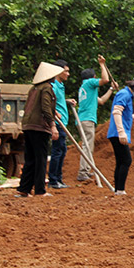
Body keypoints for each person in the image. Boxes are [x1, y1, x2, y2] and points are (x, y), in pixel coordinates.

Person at [16, 62, 64, 197]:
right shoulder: (47, 88)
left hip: (28, 125)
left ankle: (24, 188)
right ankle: (40, 190)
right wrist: (53, 125)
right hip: (39, 127)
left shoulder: (34, 89)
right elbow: (45, 107)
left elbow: (36, 106)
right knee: (41, 158)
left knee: (30, 158)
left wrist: (54, 112)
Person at [106, 76, 134, 195]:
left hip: (118, 132)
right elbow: (117, 112)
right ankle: (120, 190)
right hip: (117, 133)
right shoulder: (124, 94)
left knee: (121, 161)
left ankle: (118, 190)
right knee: (126, 160)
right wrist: (121, 132)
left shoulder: (127, 95)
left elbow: (124, 115)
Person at [76, 55, 114, 181]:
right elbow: (105, 79)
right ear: (93, 77)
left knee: (88, 145)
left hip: (83, 119)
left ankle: (86, 169)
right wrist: (103, 65)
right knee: (87, 146)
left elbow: (101, 101)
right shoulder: (89, 83)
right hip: (86, 119)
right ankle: (83, 172)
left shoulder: (85, 88)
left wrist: (111, 89)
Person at [48, 59, 76, 190]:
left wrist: (66, 100)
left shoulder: (60, 85)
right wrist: (54, 114)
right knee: (58, 151)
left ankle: (58, 178)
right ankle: (53, 180)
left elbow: (57, 100)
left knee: (62, 150)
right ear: (59, 71)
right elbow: (48, 102)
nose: (68, 74)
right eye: (66, 71)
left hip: (63, 121)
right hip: (58, 123)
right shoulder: (52, 86)